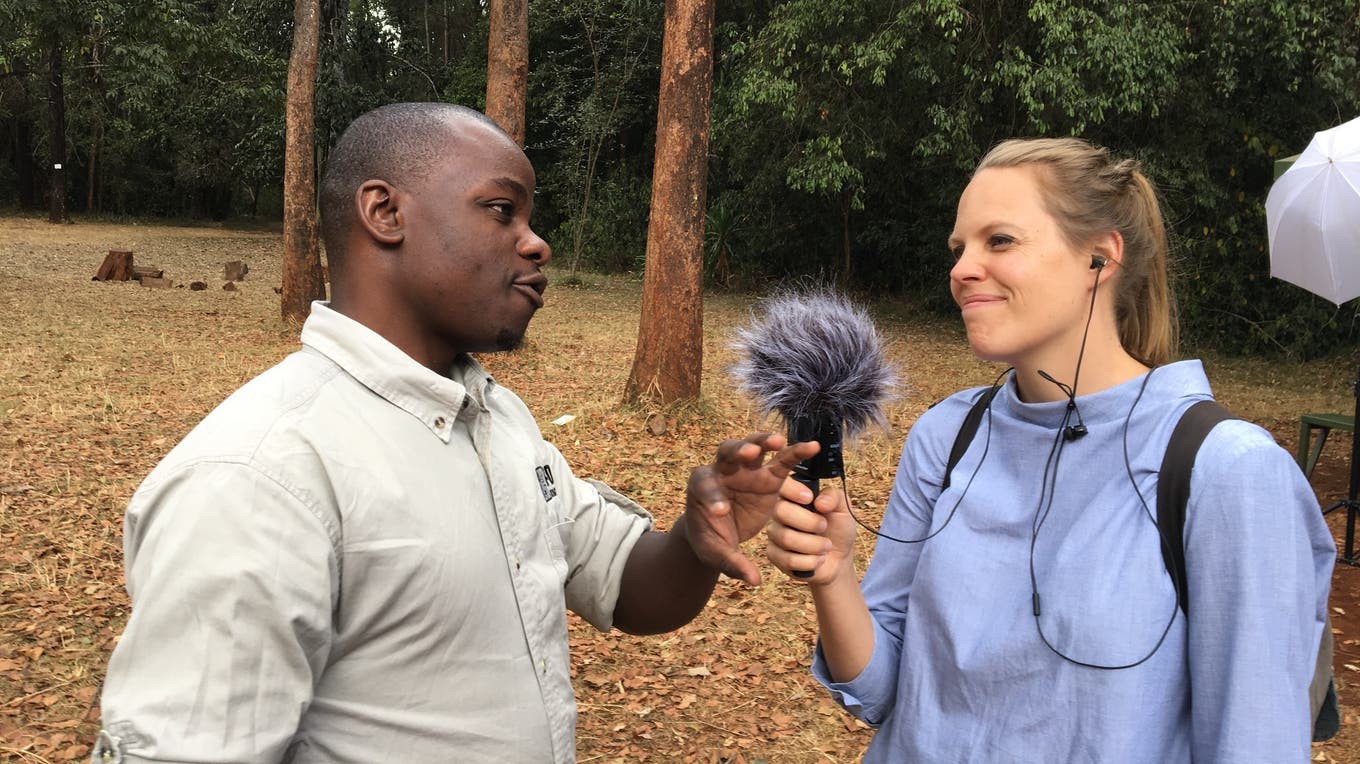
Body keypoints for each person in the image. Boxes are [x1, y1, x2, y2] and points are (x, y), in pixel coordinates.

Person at [92, 102, 814, 763]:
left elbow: (625, 585)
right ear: (384, 211)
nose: (538, 246)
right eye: (502, 210)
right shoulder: (260, 474)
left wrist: (695, 537)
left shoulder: (499, 420)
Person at [765, 137, 1336, 761]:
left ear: (1100, 257)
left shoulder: (1227, 471)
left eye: (999, 240)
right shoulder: (946, 438)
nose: (960, 270)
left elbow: (1254, 742)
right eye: (958, 249)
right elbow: (879, 694)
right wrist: (833, 573)